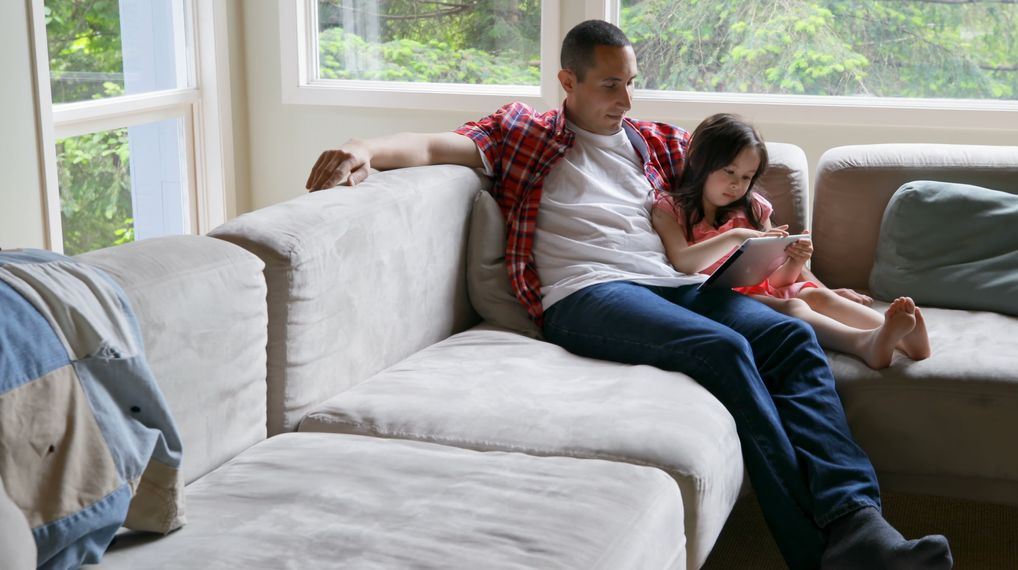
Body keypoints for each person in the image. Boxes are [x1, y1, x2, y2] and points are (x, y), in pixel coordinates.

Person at [306, 19, 952, 570]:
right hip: (589, 295)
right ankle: (816, 551)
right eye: (610, 84)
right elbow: (427, 144)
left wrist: (759, 234)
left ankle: (858, 520)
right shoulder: (525, 135)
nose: (625, 96)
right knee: (723, 349)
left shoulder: (658, 144)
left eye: (631, 81)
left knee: (788, 337)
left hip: (672, 285)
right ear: (569, 82)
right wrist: (360, 147)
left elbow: (729, 178)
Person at [652, 113, 932, 370]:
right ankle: (864, 343)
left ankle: (906, 340)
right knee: (795, 307)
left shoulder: (754, 208)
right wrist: (736, 237)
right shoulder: (670, 209)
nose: (737, 185)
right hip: (723, 300)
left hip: (764, 291)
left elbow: (776, 280)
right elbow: (683, 261)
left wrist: (794, 261)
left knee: (817, 296)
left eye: (747, 177)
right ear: (701, 161)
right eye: (729, 171)